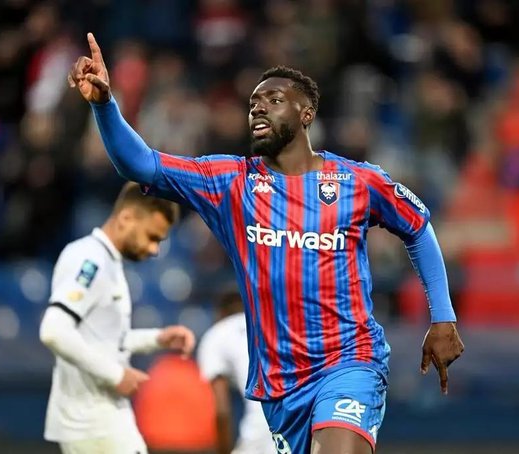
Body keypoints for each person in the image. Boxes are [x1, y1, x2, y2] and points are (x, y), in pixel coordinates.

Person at [68, 33, 464, 454]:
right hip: (280, 387)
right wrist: (104, 105)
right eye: (253, 103)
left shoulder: (357, 181)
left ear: (306, 113)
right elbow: (142, 164)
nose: (258, 107)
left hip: (350, 361)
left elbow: (417, 226)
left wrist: (443, 316)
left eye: (274, 100)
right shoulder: (230, 182)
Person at [39, 181, 195, 454]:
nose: (154, 249)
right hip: (93, 422)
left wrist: (157, 339)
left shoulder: (106, 261)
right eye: (152, 237)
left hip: (100, 419)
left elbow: (102, 339)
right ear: (126, 218)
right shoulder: (91, 260)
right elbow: (54, 330)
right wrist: (116, 375)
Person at [197, 289, 275, 454]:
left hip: (260, 423)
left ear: (220, 313)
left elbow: (222, 409)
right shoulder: (272, 324)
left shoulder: (217, 334)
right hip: (296, 416)